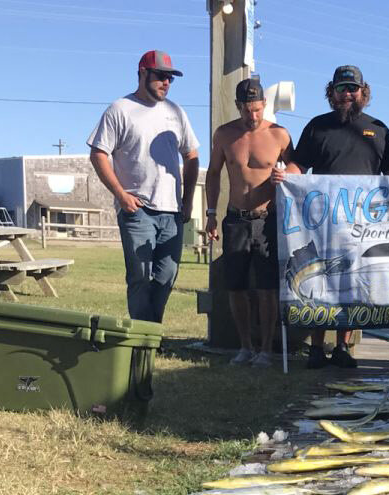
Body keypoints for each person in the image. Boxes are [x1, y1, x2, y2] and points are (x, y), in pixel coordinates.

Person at [292, 64, 389, 369]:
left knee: (350, 286)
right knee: (319, 283)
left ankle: (343, 347)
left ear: (363, 92)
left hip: (361, 226)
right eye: (341, 89)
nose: (347, 94)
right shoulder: (316, 127)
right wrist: (283, 178)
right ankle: (315, 347)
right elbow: (298, 167)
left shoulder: (378, 129)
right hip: (320, 222)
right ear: (331, 92)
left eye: (353, 88)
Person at [88, 49, 200, 323]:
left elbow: (192, 155)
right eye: (161, 76)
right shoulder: (120, 109)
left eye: (171, 78)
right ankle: (144, 335)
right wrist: (121, 195)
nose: (167, 83)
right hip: (138, 209)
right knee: (140, 275)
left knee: (166, 275)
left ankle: (151, 328)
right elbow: (99, 153)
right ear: (142, 73)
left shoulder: (176, 112)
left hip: (172, 211)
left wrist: (187, 200)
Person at [205, 77, 299, 368]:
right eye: (247, 110)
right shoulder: (224, 134)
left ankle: (266, 349)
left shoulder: (279, 134)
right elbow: (213, 173)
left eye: (257, 110)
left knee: (267, 288)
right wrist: (210, 213)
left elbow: (297, 165)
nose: (253, 116)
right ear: (238, 107)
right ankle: (245, 346)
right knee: (236, 287)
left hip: (267, 218)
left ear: (264, 106)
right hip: (235, 218)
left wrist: (288, 174)